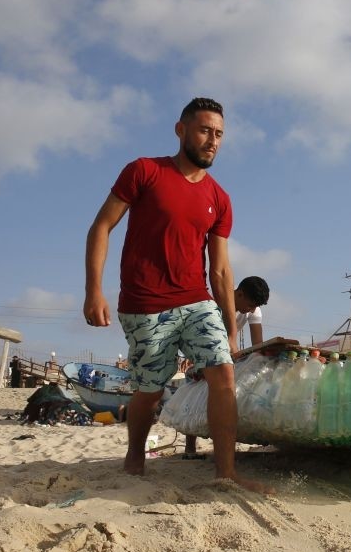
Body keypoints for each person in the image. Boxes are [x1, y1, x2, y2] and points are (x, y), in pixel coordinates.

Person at [83, 96, 272, 494]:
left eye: (219, 134)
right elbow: (102, 226)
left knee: (223, 373)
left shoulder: (219, 199)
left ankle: (226, 473)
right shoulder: (144, 171)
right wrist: (94, 290)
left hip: (196, 299)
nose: (212, 141)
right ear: (181, 129)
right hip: (145, 303)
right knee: (149, 391)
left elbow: (220, 269)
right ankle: (135, 453)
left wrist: (230, 331)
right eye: (205, 131)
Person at [184, 276, 270, 458]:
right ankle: (190, 448)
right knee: (194, 389)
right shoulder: (214, 303)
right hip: (203, 346)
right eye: (251, 304)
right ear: (239, 294)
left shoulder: (254, 311)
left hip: (226, 350)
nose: (252, 310)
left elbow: (257, 345)